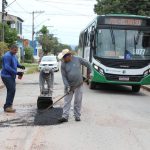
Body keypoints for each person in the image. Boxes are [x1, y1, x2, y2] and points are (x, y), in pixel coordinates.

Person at [58, 49, 93, 123]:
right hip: (69, 85)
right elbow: (64, 76)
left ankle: (77, 116)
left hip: (78, 84)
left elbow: (88, 63)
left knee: (78, 100)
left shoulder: (77, 59)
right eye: (63, 58)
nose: (63, 59)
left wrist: (91, 72)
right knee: (67, 101)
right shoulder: (63, 64)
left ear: (69, 55)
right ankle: (65, 116)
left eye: (64, 57)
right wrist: (67, 86)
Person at [1, 44, 25, 113]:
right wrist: (17, 73)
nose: (15, 52)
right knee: (11, 90)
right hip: (6, 76)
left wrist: (20, 66)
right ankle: (7, 107)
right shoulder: (7, 56)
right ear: (10, 49)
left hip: (11, 76)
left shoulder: (14, 56)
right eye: (14, 50)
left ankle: (8, 105)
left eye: (16, 51)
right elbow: (7, 67)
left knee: (12, 90)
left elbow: (16, 63)